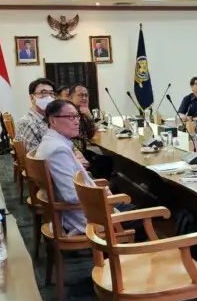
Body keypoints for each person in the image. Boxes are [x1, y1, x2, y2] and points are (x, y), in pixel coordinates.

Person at [36, 99, 144, 238]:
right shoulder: (58, 150)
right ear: (53, 120)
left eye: (77, 116)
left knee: (130, 206)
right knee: (140, 217)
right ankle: (121, 251)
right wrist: (100, 193)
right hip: (85, 217)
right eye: (70, 117)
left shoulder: (51, 142)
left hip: (80, 210)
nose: (76, 121)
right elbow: (71, 195)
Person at [69, 84, 114, 181]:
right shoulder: (68, 114)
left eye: (86, 95)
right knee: (103, 163)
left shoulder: (83, 112)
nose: (84, 98)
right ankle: (97, 186)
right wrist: (77, 155)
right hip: (73, 154)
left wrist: (89, 117)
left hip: (82, 150)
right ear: (71, 97)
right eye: (81, 95)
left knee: (106, 160)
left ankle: (104, 185)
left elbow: (90, 135)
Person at [15, 78, 56, 152]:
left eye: (51, 93)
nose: (49, 97)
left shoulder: (53, 119)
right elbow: (33, 156)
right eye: (43, 93)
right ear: (32, 98)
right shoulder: (26, 123)